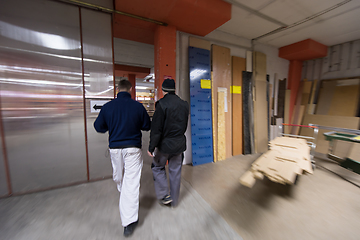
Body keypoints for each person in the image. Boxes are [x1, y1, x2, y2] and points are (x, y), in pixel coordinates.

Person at [94, 80, 150, 237]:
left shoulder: (108, 107)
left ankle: (128, 219)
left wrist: (111, 126)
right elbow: (147, 125)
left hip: (115, 149)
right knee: (130, 183)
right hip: (132, 148)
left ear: (117, 89)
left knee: (119, 177)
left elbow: (98, 127)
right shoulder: (137, 106)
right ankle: (128, 222)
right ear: (131, 89)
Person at [147, 78, 189, 207]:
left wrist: (151, 147)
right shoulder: (184, 104)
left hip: (164, 146)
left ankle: (164, 195)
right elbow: (184, 125)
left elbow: (156, 129)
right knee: (175, 172)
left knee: (157, 167)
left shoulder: (161, 104)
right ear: (174, 89)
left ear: (163, 89)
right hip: (179, 144)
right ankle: (175, 201)